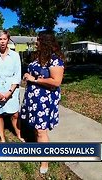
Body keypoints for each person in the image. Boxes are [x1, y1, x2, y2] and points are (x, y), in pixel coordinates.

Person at [20, 30, 65, 174]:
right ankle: (41, 147)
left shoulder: (55, 60)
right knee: (36, 128)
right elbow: (33, 74)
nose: (36, 42)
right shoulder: (37, 57)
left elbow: (56, 81)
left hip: (44, 101)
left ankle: (44, 160)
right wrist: (27, 76)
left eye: (38, 40)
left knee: (40, 130)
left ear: (45, 42)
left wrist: (35, 80)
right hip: (33, 98)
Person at [0, 30, 24, 142]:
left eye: (4, 39)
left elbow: (17, 75)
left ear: (8, 40)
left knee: (15, 114)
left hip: (11, 90)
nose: (2, 41)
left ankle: (18, 134)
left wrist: (9, 92)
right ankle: (2, 138)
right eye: (0, 39)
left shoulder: (15, 56)